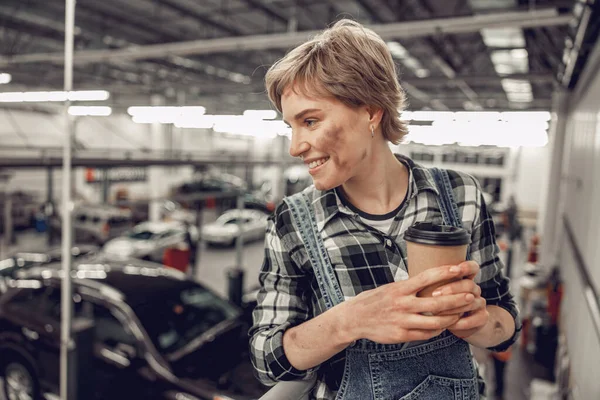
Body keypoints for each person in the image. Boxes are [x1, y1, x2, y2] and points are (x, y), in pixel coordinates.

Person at [249, 19, 520, 400]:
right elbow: (266, 359)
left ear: (371, 112)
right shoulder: (294, 219)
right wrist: (349, 320)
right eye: (291, 126)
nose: (295, 146)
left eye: (310, 121)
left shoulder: (460, 195)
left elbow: (503, 319)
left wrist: (479, 323)